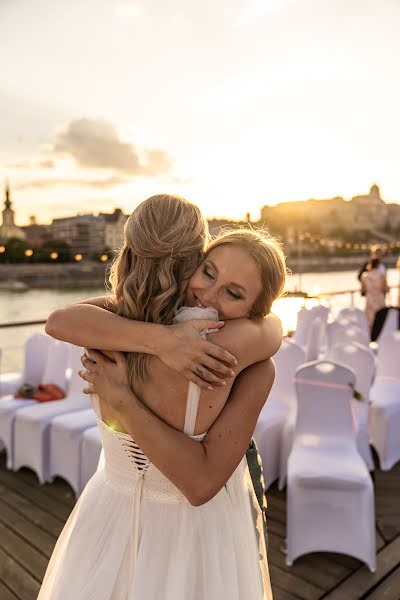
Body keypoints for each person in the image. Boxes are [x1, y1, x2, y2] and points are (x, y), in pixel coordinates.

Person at [39, 194, 285, 600]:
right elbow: (269, 330)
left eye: (233, 293)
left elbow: (60, 321)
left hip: (111, 512)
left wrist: (124, 401)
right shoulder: (246, 356)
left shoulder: (109, 326)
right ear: (195, 259)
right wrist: (164, 339)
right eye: (207, 272)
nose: (207, 295)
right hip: (190, 532)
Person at [361, 257, 389, 331]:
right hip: (380, 298)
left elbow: (363, 290)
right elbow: (385, 288)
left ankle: (371, 336)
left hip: (369, 299)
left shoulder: (364, 275)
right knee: (381, 317)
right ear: (378, 265)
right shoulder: (381, 275)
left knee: (370, 320)